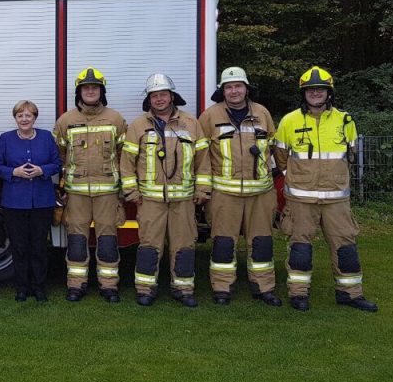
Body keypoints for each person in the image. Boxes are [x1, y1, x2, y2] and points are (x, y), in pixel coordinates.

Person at [273, 66, 378, 312]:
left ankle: (350, 294)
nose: (316, 94)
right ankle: (298, 294)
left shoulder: (345, 120)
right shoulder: (289, 121)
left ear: (329, 93)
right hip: (301, 200)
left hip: (336, 201)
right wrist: (296, 179)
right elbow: (280, 158)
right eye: (311, 90)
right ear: (303, 94)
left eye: (320, 90)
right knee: (300, 247)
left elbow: (349, 156)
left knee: (346, 247)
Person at [121, 73, 210, 307]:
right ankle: (145, 289)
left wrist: (202, 189)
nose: (159, 99)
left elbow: (203, 160)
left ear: (172, 96)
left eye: (163, 94)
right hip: (150, 200)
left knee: (184, 245)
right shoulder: (138, 126)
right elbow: (127, 163)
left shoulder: (191, 124)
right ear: (149, 100)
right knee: (149, 245)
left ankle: (184, 289)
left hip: (184, 199)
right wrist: (132, 193)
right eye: (154, 96)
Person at [198, 68, 282, 306]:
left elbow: (273, 150)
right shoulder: (210, 116)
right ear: (222, 91)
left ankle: (264, 287)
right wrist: (204, 190)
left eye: (238, 86)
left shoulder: (262, 113)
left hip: (261, 194)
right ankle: (222, 288)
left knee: (262, 242)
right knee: (223, 243)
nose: (234, 91)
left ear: (246, 88)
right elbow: (201, 156)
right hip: (224, 194)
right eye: (228, 87)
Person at [52, 67, 127, 303]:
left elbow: (123, 154)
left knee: (107, 239)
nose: (91, 91)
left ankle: (109, 286)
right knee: (76, 239)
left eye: (95, 87)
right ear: (79, 92)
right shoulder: (66, 120)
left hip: (107, 192)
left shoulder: (115, 119)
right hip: (76, 193)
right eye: (86, 88)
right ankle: (76, 285)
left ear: (101, 91)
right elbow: (60, 153)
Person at [0, 100, 61, 302]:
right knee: (19, 246)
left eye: (28, 115)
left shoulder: (47, 137)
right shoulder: (6, 139)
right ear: (15, 118)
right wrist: (14, 171)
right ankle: (22, 288)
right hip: (14, 203)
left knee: (39, 246)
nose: (24, 119)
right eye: (20, 116)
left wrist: (42, 170)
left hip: (41, 201)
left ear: (35, 118)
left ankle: (39, 287)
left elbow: (57, 163)